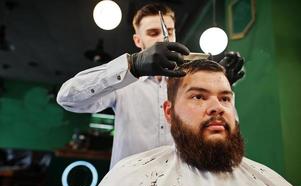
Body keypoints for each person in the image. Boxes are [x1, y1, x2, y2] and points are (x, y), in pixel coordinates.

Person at [56, 3, 244, 168]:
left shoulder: (192, 86)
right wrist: (133, 65)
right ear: (138, 40)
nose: (163, 38)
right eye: (153, 33)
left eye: (169, 32)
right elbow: (67, 98)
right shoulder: (123, 84)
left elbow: (223, 134)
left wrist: (223, 90)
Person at [90, 59, 300, 186]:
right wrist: (131, 64)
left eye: (225, 98)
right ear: (169, 113)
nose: (217, 107)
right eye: (199, 96)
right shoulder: (129, 180)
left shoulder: (271, 185)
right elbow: (67, 98)